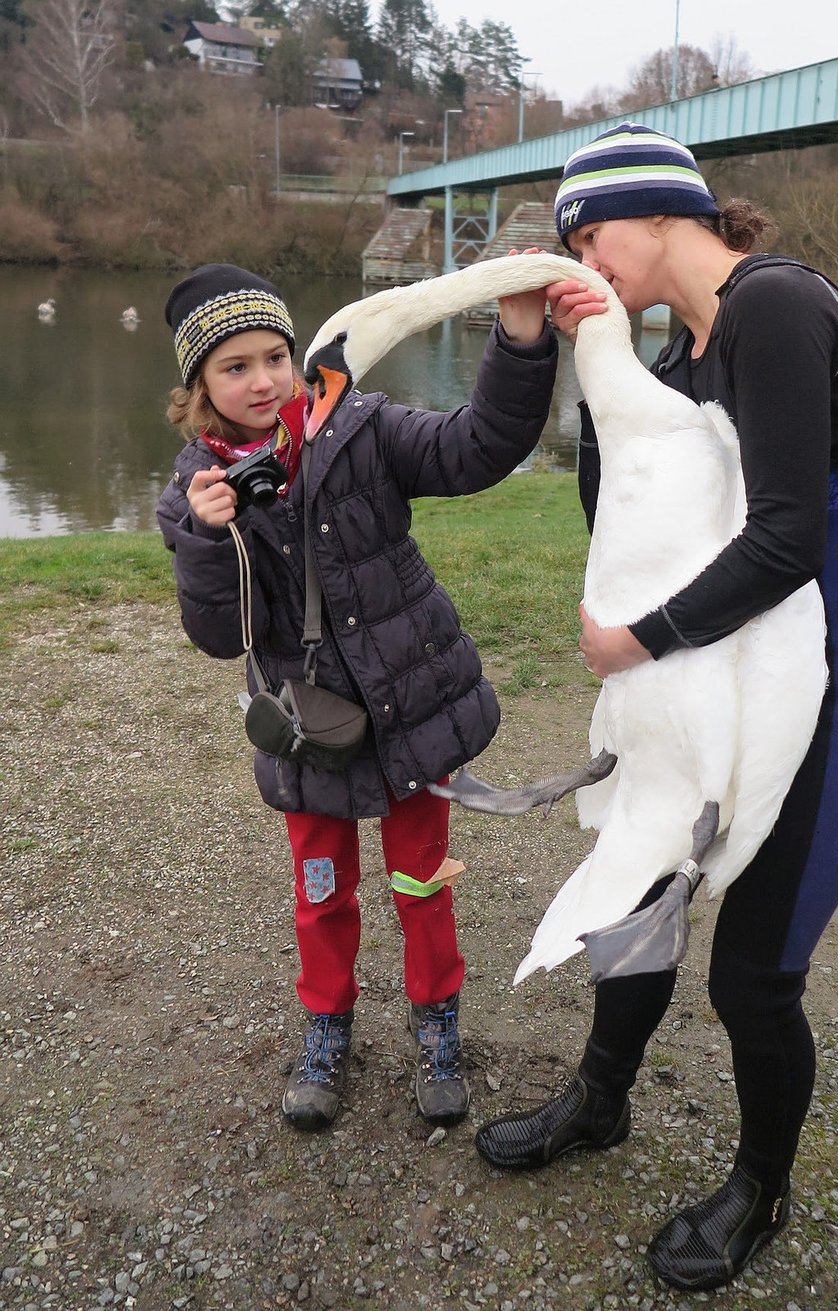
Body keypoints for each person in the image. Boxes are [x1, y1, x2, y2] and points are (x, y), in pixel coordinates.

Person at [474, 124, 838, 1292]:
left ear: (665, 212)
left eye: (593, 231)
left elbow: (788, 538)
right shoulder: (676, 356)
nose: (583, 252)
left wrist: (634, 642)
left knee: (752, 975)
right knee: (636, 883)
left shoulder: (774, 306)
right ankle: (601, 1101)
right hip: (727, 664)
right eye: (570, 239)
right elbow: (621, 513)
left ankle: (760, 1190)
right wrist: (602, 358)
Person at [156, 261, 558, 1133]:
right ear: (199, 388)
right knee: (321, 891)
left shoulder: (363, 426)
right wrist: (202, 536)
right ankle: (326, 1027)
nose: (263, 380)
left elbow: (479, 445)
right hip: (306, 732)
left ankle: (437, 1020)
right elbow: (219, 636)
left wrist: (522, 339)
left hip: (412, 712)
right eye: (235, 367)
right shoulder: (193, 494)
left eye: (274, 355)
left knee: (422, 883)